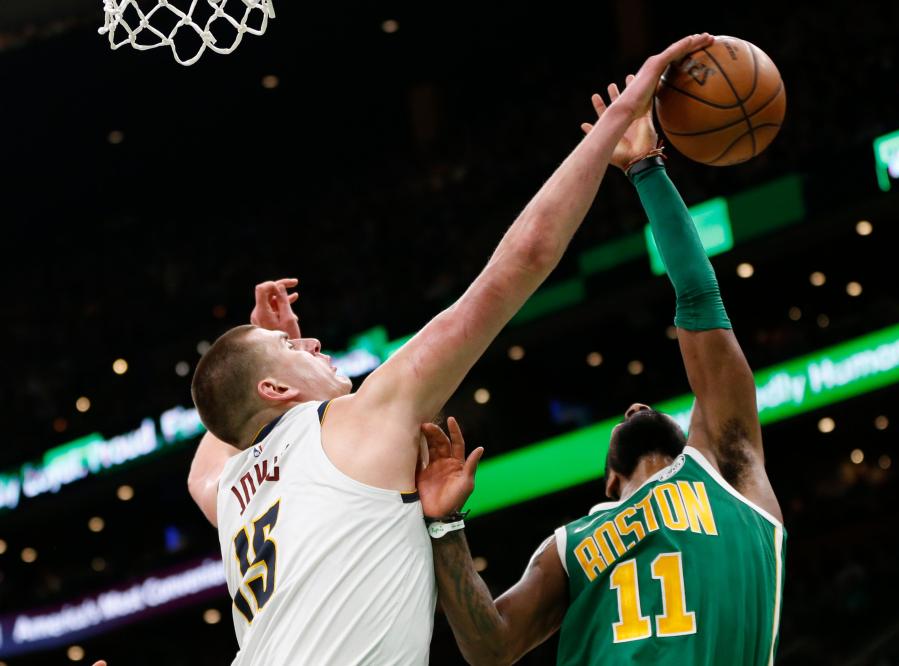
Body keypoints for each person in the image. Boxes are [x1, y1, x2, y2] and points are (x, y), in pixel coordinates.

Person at [183, 33, 716, 666]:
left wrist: (267, 350)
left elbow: (215, 440)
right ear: (274, 390)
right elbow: (520, 263)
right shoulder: (359, 419)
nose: (313, 339)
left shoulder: (232, 490)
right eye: (292, 347)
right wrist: (618, 121)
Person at [416, 71, 786, 665]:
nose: (637, 405)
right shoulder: (567, 548)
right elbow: (492, 647)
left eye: (647, 409)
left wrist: (647, 170)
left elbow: (699, 297)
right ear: (608, 484)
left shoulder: (729, 467)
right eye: (636, 410)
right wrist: (444, 526)